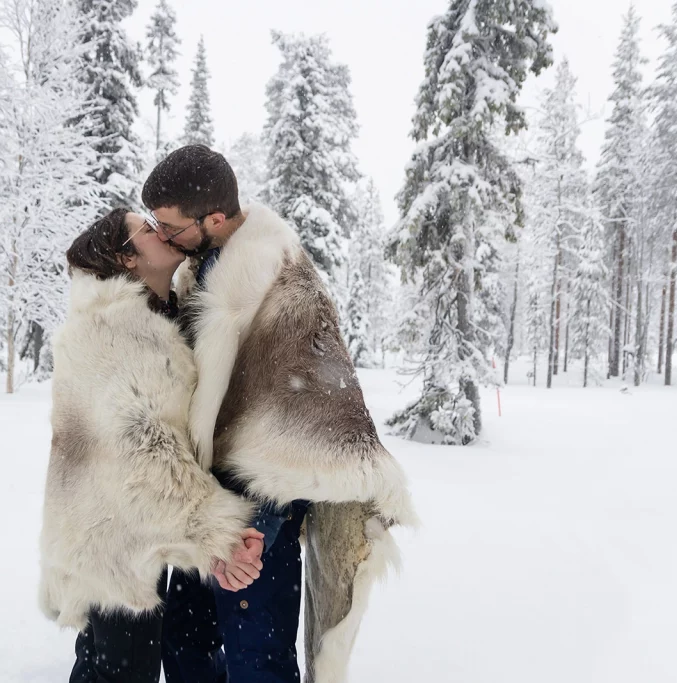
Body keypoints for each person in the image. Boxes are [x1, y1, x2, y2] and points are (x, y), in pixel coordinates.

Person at [143, 146, 419, 683]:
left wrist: (258, 530)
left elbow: (307, 409)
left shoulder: (286, 284)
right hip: (204, 508)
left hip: (259, 511)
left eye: (171, 227)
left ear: (214, 219)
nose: (163, 237)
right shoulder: (199, 273)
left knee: (258, 664)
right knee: (185, 648)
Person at [38, 208, 265, 683]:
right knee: (126, 671)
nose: (159, 230)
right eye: (146, 229)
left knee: (107, 663)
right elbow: (144, 449)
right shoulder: (116, 329)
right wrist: (218, 532)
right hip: (110, 532)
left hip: (106, 522)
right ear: (127, 259)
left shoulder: (155, 316)